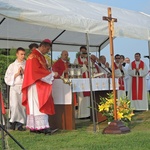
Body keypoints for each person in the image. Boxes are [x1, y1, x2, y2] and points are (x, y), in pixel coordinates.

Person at [22, 39, 58, 134]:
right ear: (43, 46)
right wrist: (52, 74)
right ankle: (43, 127)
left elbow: (42, 69)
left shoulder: (40, 56)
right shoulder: (34, 56)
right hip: (35, 85)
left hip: (38, 83)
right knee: (38, 105)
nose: (48, 51)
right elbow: (36, 72)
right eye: (47, 49)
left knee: (36, 106)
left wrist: (49, 71)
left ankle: (36, 128)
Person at [4, 47, 26, 131]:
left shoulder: (27, 64)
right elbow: (7, 77)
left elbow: (29, 76)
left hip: (23, 87)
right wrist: (16, 74)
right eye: (21, 54)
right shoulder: (12, 66)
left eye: (24, 54)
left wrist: (24, 73)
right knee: (14, 105)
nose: (23, 56)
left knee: (22, 106)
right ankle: (12, 121)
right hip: (14, 87)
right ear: (17, 54)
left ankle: (20, 123)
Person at [74, 46, 91, 119]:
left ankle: (88, 114)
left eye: (85, 52)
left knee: (87, 98)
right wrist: (84, 65)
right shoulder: (76, 60)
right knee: (81, 98)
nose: (84, 53)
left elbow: (92, 69)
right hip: (81, 80)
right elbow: (76, 69)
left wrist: (88, 65)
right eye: (82, 52)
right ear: (80, 52)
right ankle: (81, 115)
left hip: (87, 80)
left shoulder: (88, 60)